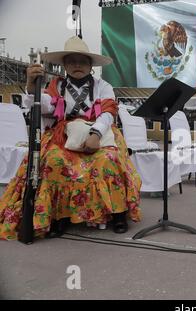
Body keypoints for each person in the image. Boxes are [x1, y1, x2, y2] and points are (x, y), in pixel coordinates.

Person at [0, 36, 142, 240]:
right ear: (65, 65)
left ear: (90, 65)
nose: (77, 65)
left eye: (83, 61)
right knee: (54, 162)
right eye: (72, 61)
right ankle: (61, 215)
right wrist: (32, 86)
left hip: (99, 132)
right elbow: (46, 104)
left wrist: (95, 135)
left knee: (108, 161)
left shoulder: (103, 86)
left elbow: (108, 111)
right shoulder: (56, 85)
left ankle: (117, 213)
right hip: (63, 135)